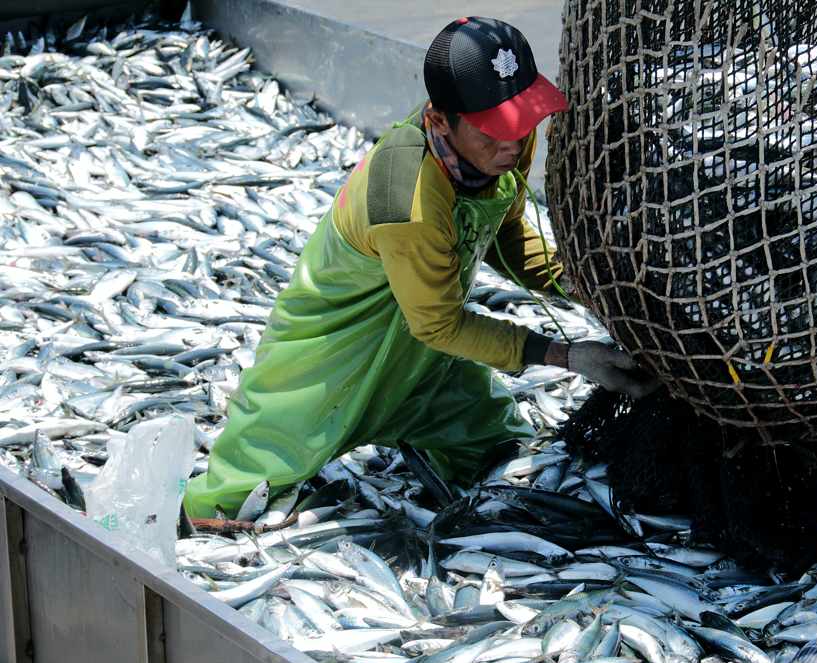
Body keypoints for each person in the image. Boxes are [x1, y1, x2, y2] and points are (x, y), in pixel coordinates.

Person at [183, 16, 655, 518]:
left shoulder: (506, 143)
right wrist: (566, 356)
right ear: (438, 120)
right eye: (494, 131)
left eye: (522, 122)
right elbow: (438, 322)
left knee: (501, 451)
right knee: (231, 500)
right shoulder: (405, 192)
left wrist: (591, 286)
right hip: (332, 357)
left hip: (422, 361)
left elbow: (508, 233)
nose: (514, 146)